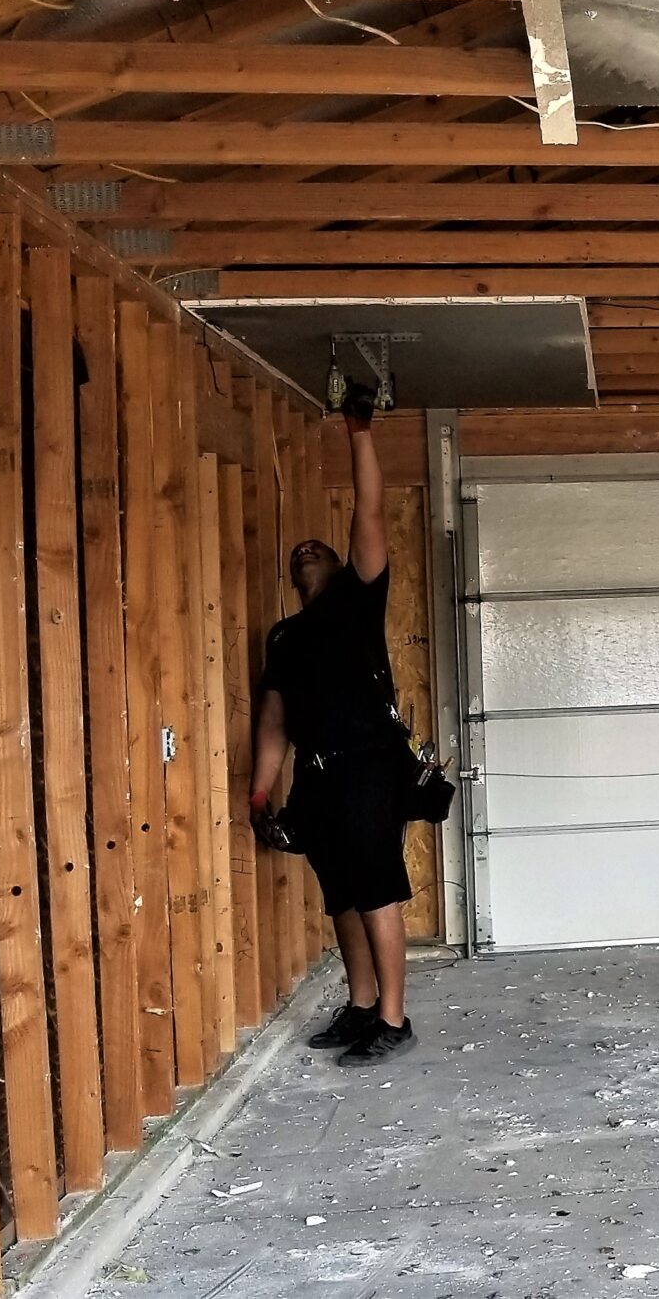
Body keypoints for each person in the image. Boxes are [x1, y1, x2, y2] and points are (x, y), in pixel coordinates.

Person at [249, 385, 418, 1066]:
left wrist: (359, 431)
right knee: (343, 894)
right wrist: (260, 794)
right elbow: (273, 719)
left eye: (315, 546)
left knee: (374, 885)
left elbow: (369, 510)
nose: (305, 550)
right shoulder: (286, 636)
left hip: (368, 762)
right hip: (318, 777)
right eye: (297, 553)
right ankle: (360, 1003)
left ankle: (395, 1018)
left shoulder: (357, 595)